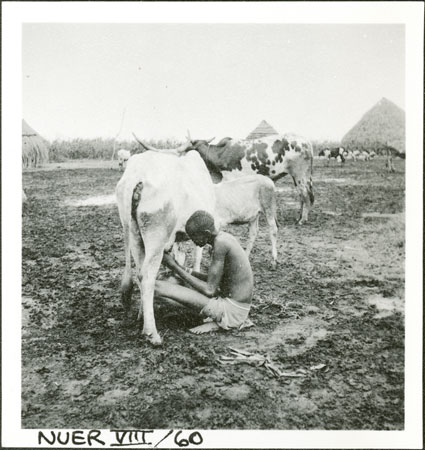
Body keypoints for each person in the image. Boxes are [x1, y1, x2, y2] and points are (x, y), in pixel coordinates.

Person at [155, 210, 254, 334]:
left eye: (194, 237)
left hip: (232, 311)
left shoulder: (221, 244)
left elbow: (209, 290)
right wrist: (184, 269)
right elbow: (214, 280)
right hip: (234, 306)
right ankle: (209, 318)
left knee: (157, 287)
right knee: (172, 281)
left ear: (206, 233)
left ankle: (217, 321)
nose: (193, 242)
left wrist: (174, 266)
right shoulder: (224, 238)